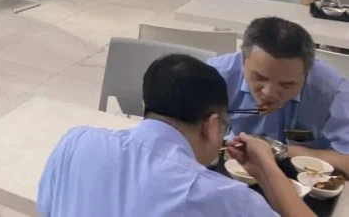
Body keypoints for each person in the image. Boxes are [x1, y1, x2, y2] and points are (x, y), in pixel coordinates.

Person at [38, 54, 314, 217]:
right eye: (224, 128)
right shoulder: (227, 199)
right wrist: (267, 168)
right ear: (211, 125)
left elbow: (47, 208)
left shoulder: (76, 141)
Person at [208, 17, 349, 174]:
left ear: (308, 72)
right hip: (236, 164)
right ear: (243, 56)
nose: (269, 93)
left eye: (286, 85)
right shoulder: (216, 75)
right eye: (259, 78)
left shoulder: (334, 92)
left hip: (308, 174)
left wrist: (283, 151)